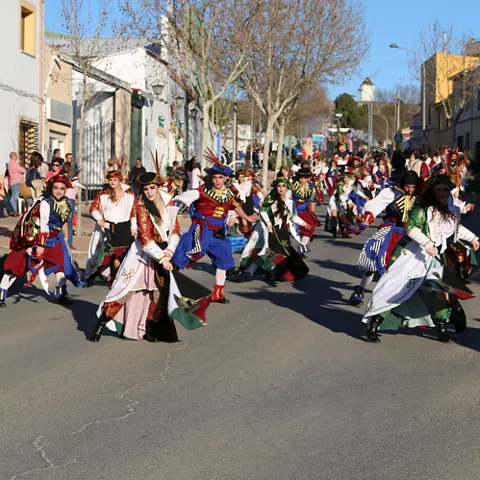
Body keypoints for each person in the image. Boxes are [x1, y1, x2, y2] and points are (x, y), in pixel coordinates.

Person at [363, 175, 479, 343]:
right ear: (432, 191)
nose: (442, 193)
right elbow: (411, 228)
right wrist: (427, 243)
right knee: (396, 289)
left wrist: (473, 238)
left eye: (445, 189)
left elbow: (456, 229)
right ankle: (374, 323)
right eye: (438, 189)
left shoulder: (452, 209)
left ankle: (441, 327)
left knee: (442, 291)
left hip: (437, 257)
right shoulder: (423, 208)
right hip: (415, 255)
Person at [89, 170, 201, 343]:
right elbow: (146, 239)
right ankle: (100, 324)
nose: (149, 192)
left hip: (164, 251)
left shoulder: (169, 203)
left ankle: (149, 328)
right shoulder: (141, 206)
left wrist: (169, 252)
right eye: (146, 189)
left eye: (152, 188)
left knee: (159, 294)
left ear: (158, 188)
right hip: (143, 255)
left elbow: (175, 231)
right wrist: (163, 258)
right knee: (125, 291)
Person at [172, 150, 256, 304]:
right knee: (192, 251)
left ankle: (218, 293)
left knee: (224, 256)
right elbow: (184, 199)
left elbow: (235, 206)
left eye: (220, 177)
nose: (217, 180)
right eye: (215, 177)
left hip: (218, 231)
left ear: (226, 178)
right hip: (202, 228)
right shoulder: (202, 191)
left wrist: (247, 217)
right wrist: (170, 208)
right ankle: (168, 278)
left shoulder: (230, 193)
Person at [0, 175, 84, 307]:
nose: (59, 191)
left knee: (61, 265)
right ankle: (1, 294)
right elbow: (43, 225)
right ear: (51, 188)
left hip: (55, 239)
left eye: (62, 188)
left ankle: (60, 294)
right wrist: (41, 245)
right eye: (56, 188)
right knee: (17, 265)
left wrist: (66, 237)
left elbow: (64, 222)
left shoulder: (67, 203)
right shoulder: (45, 203)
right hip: (36, 239)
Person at [349, 171, 420, 306]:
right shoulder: (391, 193)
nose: (410, 190)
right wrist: (367, 219)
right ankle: (360, 290)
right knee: (374, 260)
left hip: (410, 233)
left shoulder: (420, 197)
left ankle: (397, 298)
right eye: (408, 186)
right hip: (390, 229)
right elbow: (376, 205)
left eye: (413, 187)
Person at [230, 177, 310, 283]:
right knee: (256, 249)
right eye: (279, 186)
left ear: (287, 188)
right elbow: (263, 211)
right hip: (264, 228)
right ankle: (241, 270)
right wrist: (268, 223)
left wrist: (304, 223)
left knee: (278, 252)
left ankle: (274, 272)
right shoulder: (271, 198)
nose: (281, 188)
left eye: (283, 186)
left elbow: (292, 216)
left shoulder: (290, 201)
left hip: (278, 229)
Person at [84, 170, 138, 284]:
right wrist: (99, 219)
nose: (112, 182)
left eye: (115, 180)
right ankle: (93, 275)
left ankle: (119, 279)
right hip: (107, 228)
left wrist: (134, 227)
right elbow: (93, 208)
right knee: (96, 254)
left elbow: (134, 212)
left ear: (120, 181)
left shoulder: (129, 196)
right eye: (110, 180)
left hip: (124, 229)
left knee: (123, 255)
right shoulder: (103, 195)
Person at [291, 168, 320, 254]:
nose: (303, 180)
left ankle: (302, 245)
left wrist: (312, 214)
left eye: (305, 178)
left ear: (308, 178)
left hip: (305, 209)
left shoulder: (312, 188)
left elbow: (312, 202)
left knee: (310, 227)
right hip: (293, 208)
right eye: (301, 178)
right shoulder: (292, 186)